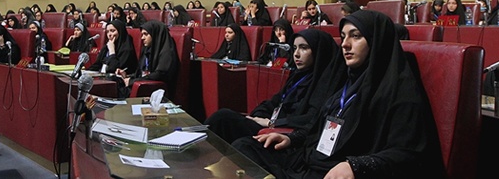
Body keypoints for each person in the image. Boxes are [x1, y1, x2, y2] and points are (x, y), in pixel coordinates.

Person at [233, 10, 444, 179]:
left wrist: (356, 166)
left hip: (335, 171)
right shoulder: (348, 82)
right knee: (244, 147)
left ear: (375, 42)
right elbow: (320, 127)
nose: (345, 44)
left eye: (356, 36)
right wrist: (291, 139)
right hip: (310, 161)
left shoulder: (399, 94)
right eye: (343, 37)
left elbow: (409, 154)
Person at [206, 29, 345, 144]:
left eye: (304, 48)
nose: (296, 54)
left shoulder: (326, 81)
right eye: (295, 48)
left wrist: (272, 123)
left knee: (234, 134)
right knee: (222, 117)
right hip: (272, 125)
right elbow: (276, 101)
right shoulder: (298, 75)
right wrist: (256, 116)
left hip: (289, 134)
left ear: (318, 51)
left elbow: (312, 118)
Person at [116, 20, 178, 99]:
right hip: (141, 87)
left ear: (155, 34)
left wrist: (133, 81)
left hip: (154, 92)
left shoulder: (167, 52)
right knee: (114, 83)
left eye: (145, 34)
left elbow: (159, 75)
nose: (142, 38)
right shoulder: (147, 49)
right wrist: (127, 76)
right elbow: (142, 72)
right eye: (142, 34)